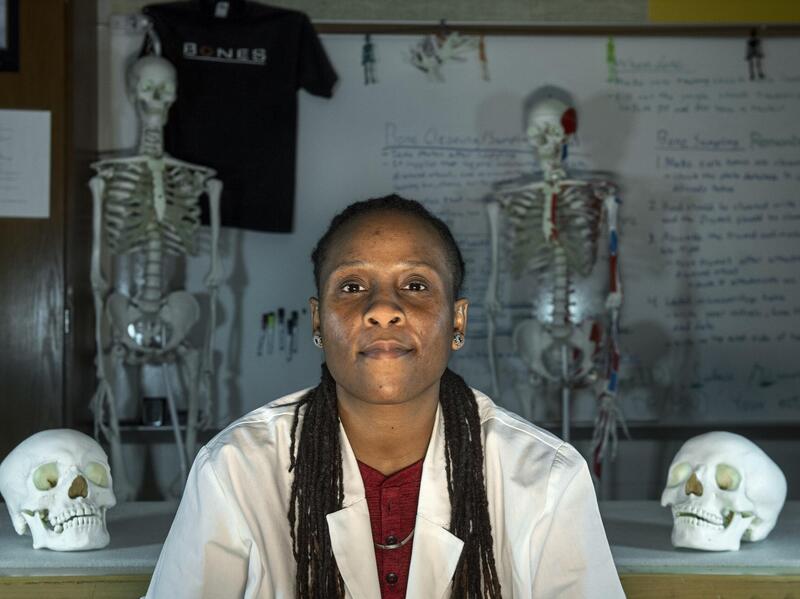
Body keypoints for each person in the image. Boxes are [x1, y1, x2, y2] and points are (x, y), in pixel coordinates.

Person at [144, 194, 625, 598]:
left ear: (457, 321)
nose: (382, 310)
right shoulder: (234, 470)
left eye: (415, 286)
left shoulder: (547, 479)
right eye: (352, 286)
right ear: (318, 321)